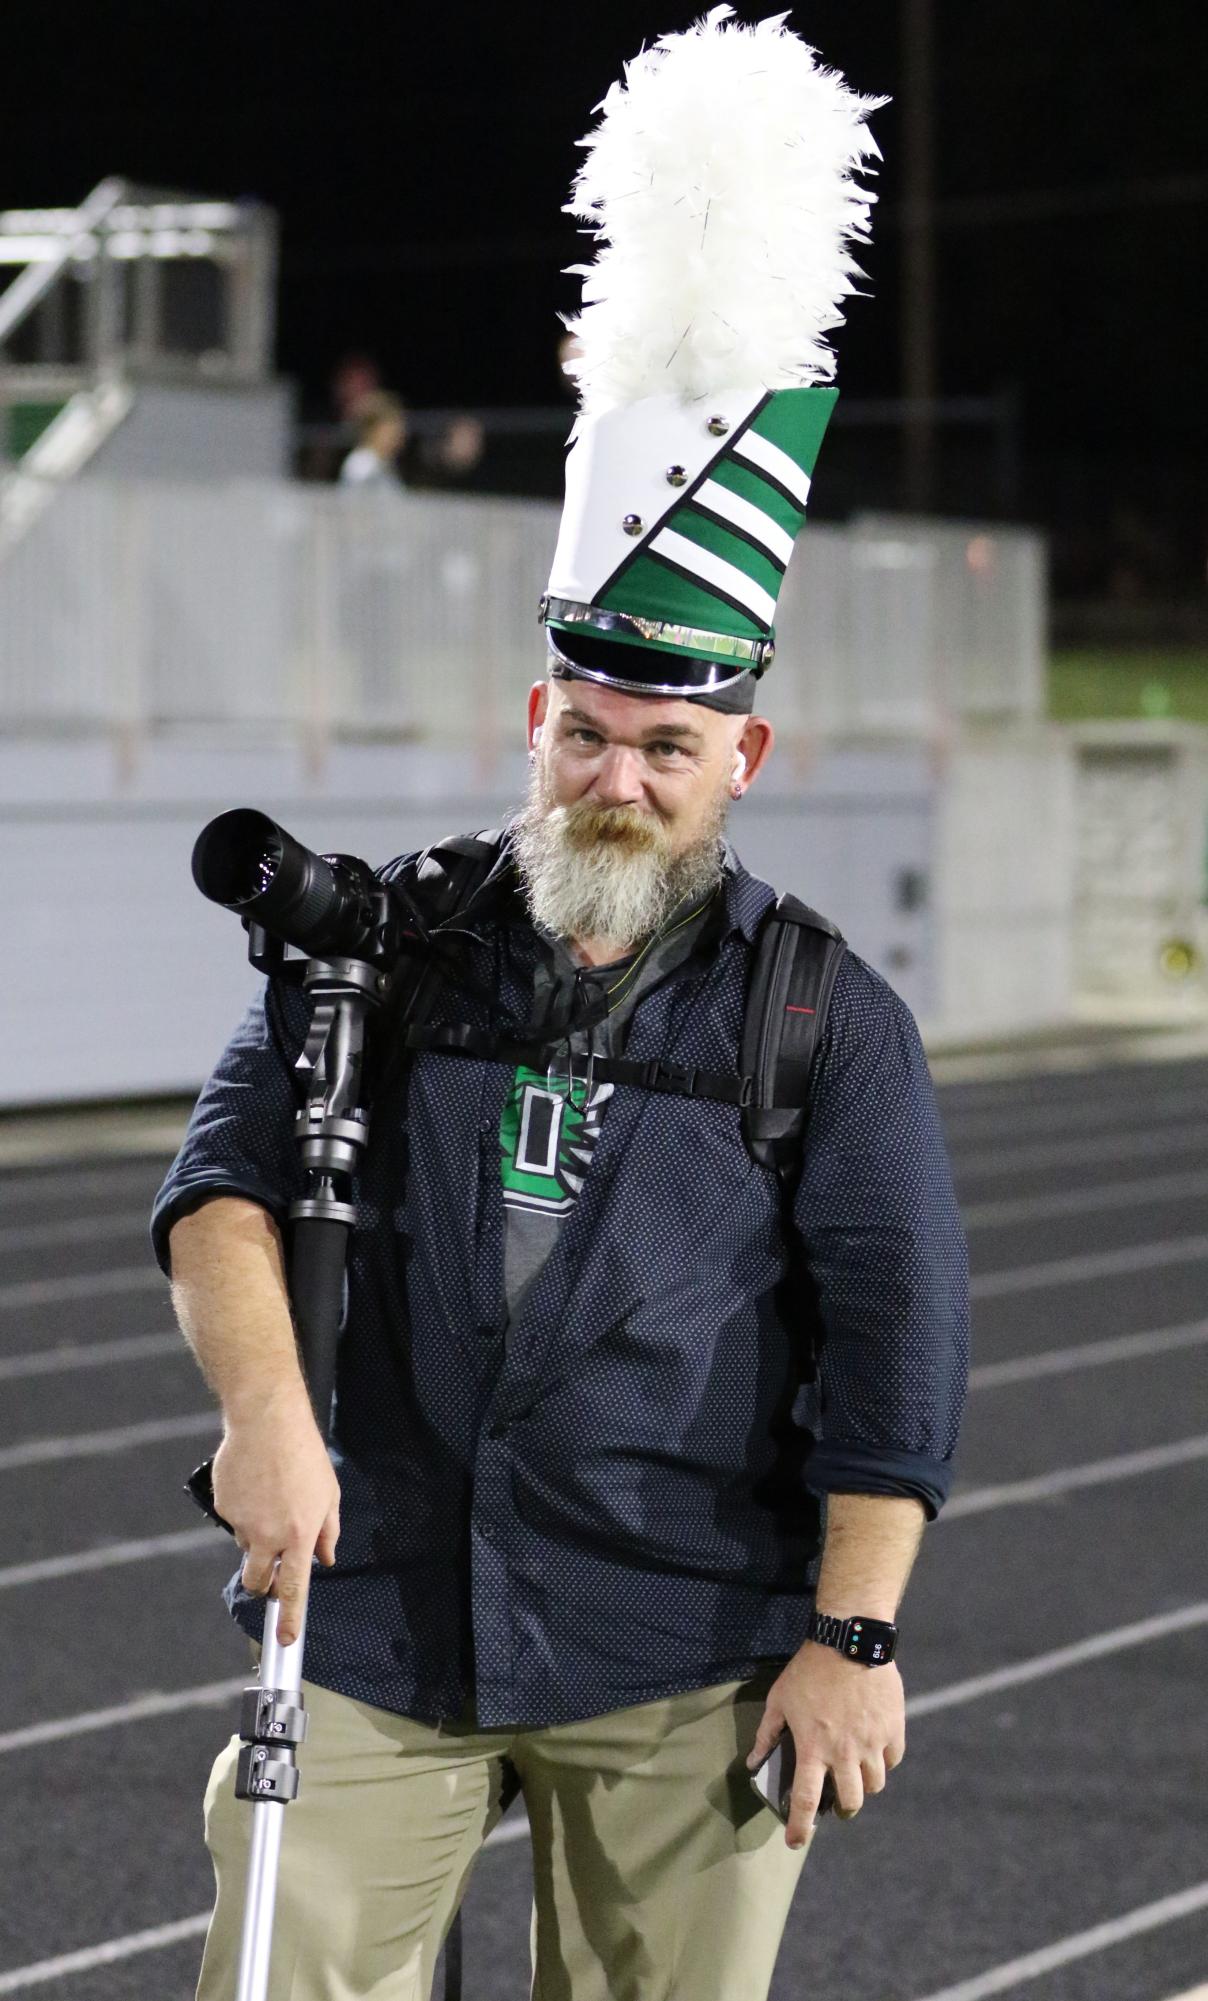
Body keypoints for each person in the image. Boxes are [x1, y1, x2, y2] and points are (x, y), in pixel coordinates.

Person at [151, 15, 967, 2000]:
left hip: (680, 1637)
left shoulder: (818, 1018)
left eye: (665, 745)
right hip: (375, 1610)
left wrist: (850, 1636)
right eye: (588, 731)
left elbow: (897, 1332)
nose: (619, 774)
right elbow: (221, 1188)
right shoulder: (382, 938)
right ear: (538, 716)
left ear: (743, 752)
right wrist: (265, 1419)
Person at [338, 390, 408, 487]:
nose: (400, 435)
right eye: (392, 430)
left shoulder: (385, 464)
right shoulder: (361, 466)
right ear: (373, 430)